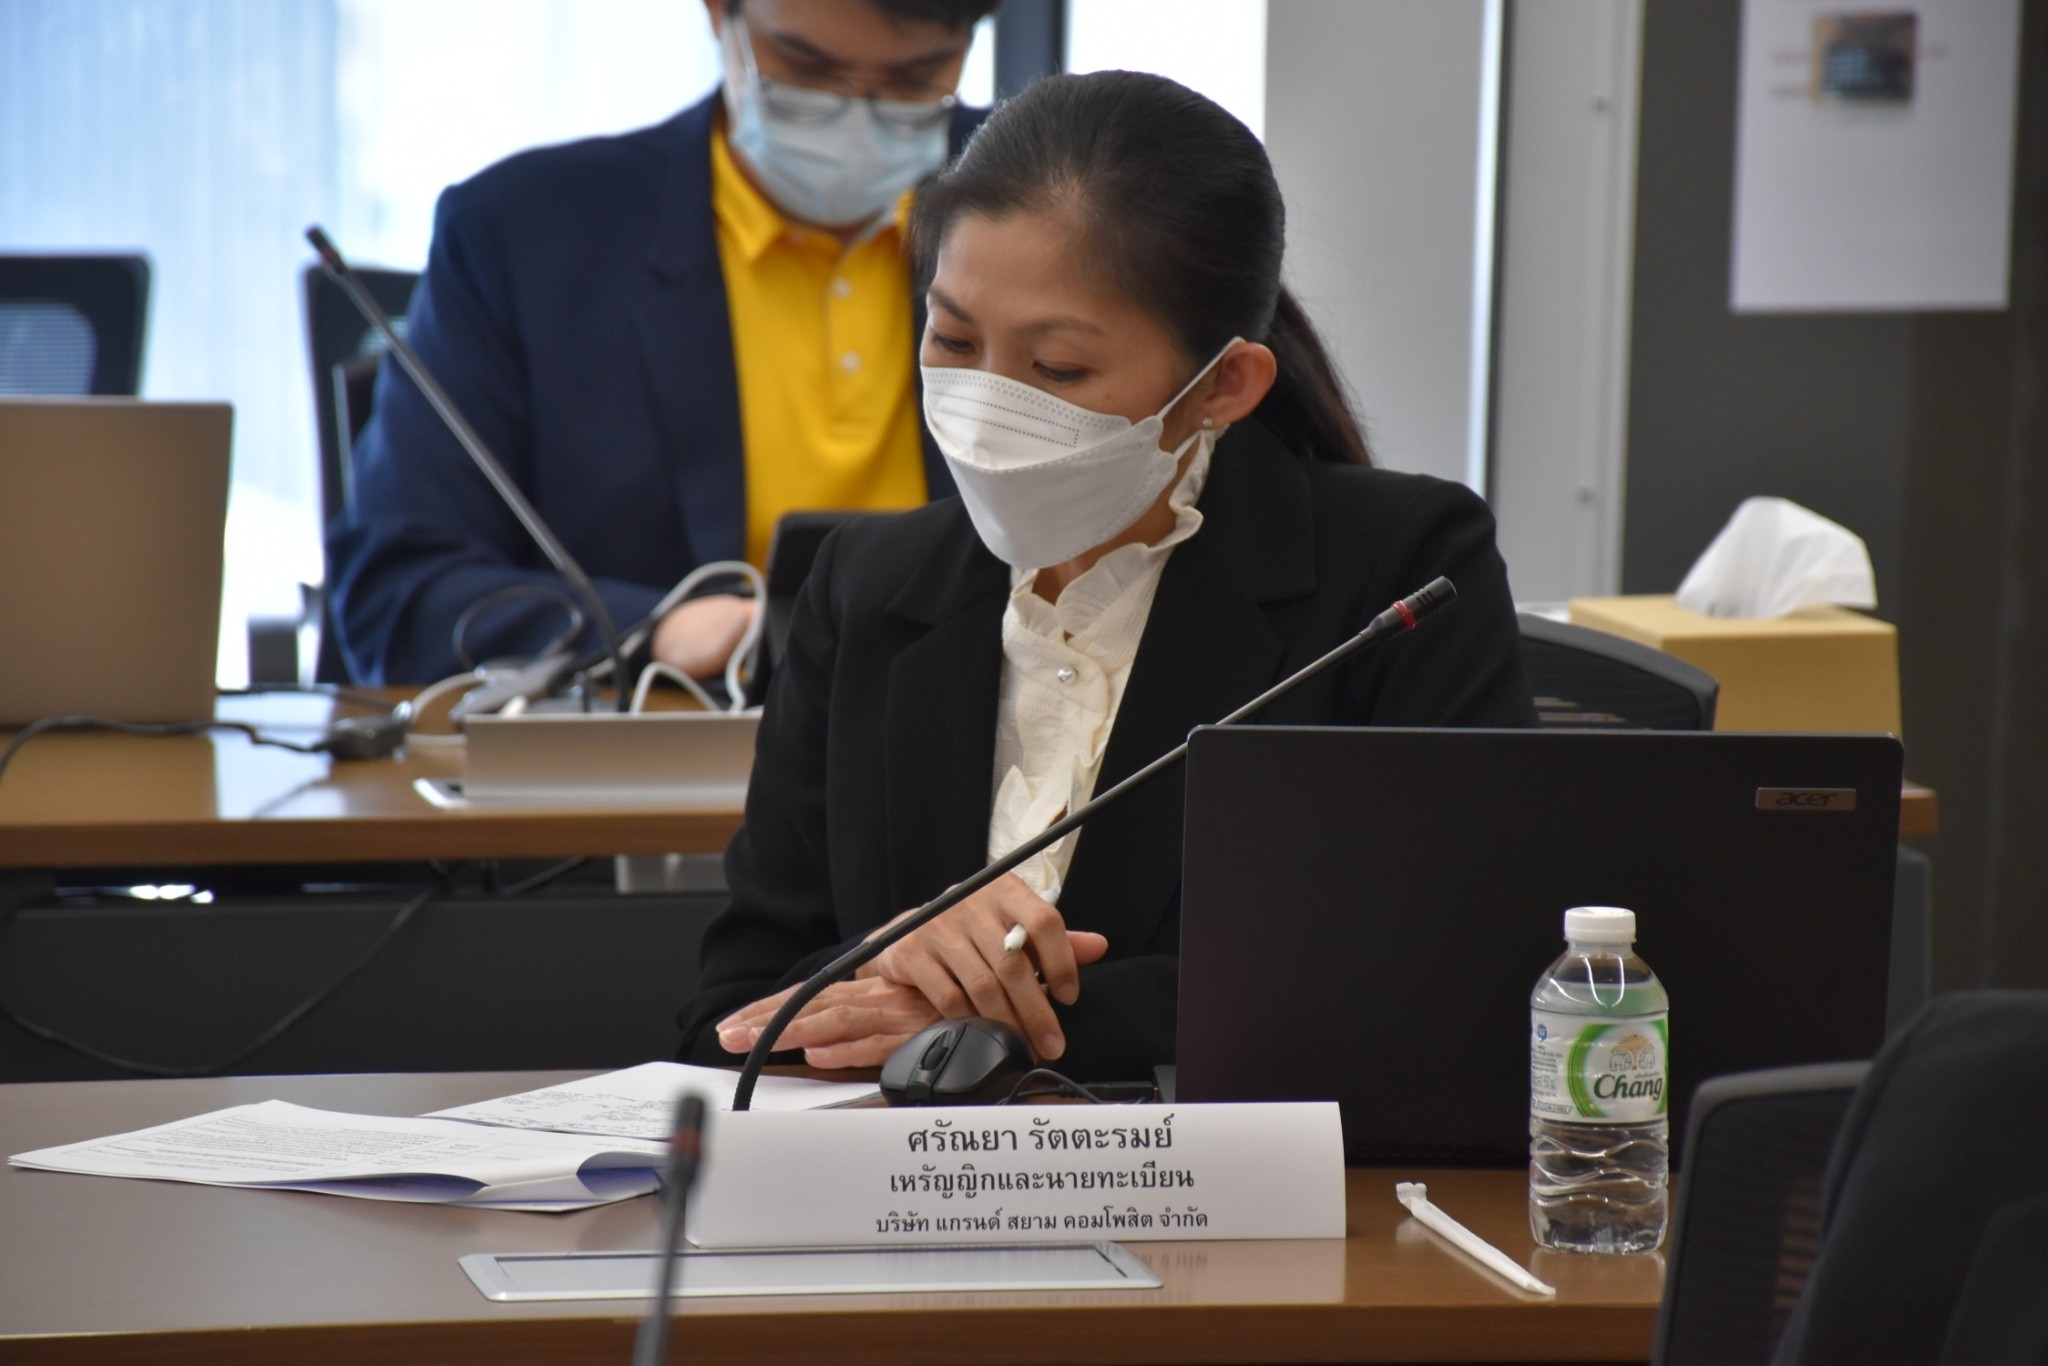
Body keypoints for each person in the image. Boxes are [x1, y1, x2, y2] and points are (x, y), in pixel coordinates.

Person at [676, 71, 1538, 1083]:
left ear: (1223, 384)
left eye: (1057, 370)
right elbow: (726, 1018)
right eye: (952, 339)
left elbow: (1447, 977)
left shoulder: (1397, 573)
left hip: (1225, 1182)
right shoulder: (865, 584)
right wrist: (891, 956)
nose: (986, 404)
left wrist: (989, 1022)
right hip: (886, 1178)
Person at [328, 0, 998, 685]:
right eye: (805, 69)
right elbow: (398, 593)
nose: (856, 119)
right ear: (718, 13)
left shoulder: (1044, 213)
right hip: (669, 728)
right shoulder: (521, 236)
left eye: (913, 81)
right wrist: (654, 632)